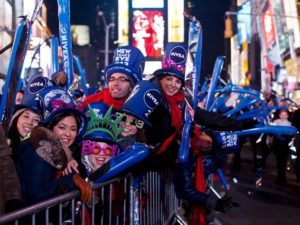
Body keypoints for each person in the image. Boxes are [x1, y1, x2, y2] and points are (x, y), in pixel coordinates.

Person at [146, 42, 253, 223]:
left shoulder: (183, 105)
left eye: (178, 81)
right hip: (141, 165)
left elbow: (210, 118)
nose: (173, 84)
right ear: (160, 79)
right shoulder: (149, 97)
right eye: (169, 79)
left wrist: (241, 125)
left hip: (160, 167)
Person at [14, 86, 91, 211]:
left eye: (73, 129)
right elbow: (37, 196)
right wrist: (71, 180)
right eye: (62, 127)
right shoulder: (38, 149)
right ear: (51, 127)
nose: (67, 133)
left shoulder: (63, 153)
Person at [272, 109, 292, 186]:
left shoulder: (289, 124)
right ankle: (280, 178)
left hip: (285, 145)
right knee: (279, 161)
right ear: (279, 115)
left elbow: (290, 135)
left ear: (287, 116)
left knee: (283, 162)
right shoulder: (276, 122)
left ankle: (283, 178)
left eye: (285, 115)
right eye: (282, 114)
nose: (283, 116)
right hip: (277, 144)